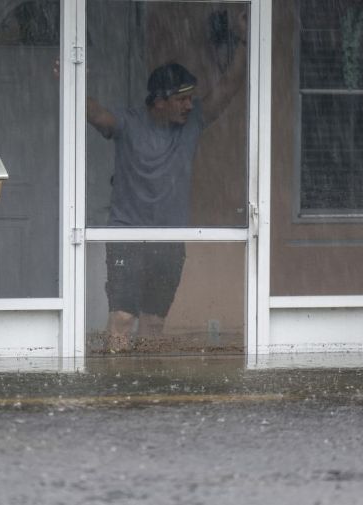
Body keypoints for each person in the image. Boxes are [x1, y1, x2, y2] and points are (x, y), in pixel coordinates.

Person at [85, 11, 249, 353]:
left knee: (154, 324)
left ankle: (145, 391)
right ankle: (116, 386)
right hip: (127, 236)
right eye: (182, 99)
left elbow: (231, 86)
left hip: (170, 239)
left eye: (191, 98)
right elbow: (96, 114)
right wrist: (72, 81)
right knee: (123, 318)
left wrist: (246, 39)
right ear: (159, 101)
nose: (190, 105)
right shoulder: (128, 124)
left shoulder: (192, 123)